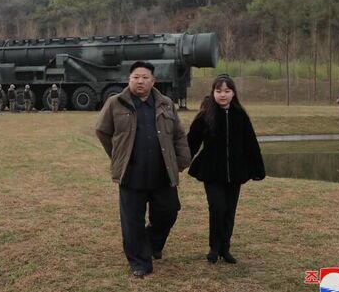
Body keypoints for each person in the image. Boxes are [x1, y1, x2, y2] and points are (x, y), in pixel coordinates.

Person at [96, 61, 191, 279]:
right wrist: (119, 156)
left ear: (153, 81)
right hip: (132, 173)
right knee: (132, 220)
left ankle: (151, 244)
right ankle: (139, 262)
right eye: (136, 77)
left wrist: (182, 160)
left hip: (162, 172)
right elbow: (102, 131)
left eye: (145, 77)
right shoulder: (115, 103)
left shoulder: (165, 103)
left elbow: (178, 134)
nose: (140, 81)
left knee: (169, 211)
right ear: (129, 80)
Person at [187, 74, 265, 264]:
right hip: (211, 172)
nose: (223, 95)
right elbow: (191, 142)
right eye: (218, 91)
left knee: (229, 210)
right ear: (213, 92)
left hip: (236, 172)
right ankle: (214, 248)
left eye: (227, 91)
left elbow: (251, 144)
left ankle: (225, 249)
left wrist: (257, 169)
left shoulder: (240, 115)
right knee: (218, 207)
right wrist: (181, 161)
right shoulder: (206, 115)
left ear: (233, 93)